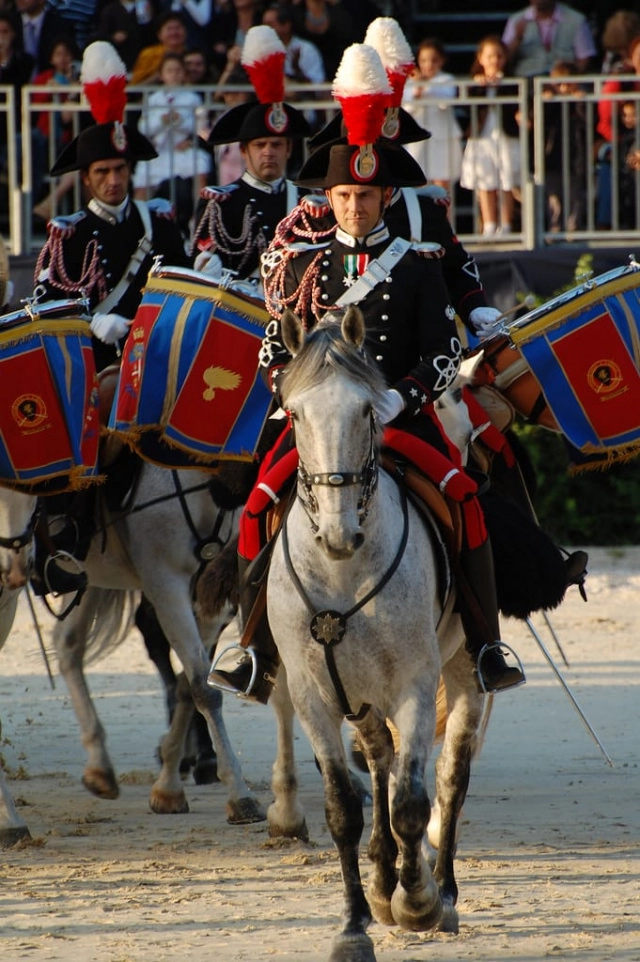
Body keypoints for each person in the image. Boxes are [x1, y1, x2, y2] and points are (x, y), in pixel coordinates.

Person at [208, 42, 527, 703]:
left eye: (366, 195)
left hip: (399, 419)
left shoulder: (414, 264)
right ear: (332, 196)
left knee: (466, 500)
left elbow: (442, 350)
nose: (354, 206)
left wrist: (399, 397)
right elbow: (274, 347)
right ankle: (248, 647)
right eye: (344, 195)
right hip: (322, 425)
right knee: (258, 503)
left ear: (385, 195)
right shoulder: (303, 263)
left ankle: (486, 641)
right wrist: (293, 398)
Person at [32, 40, 191, 595]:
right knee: (91, 410)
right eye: (103, 171)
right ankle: (68, 535)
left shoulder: (161, 222)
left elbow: (184, 289)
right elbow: (45, 309)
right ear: (87, 174)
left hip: (159, 357)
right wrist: (92, 324)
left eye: (120, 169)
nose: (114, 181)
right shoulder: (68, 232)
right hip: (95, 362)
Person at [191, 24, 310, 284]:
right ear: (243, 150)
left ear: (289, 149)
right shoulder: (221, 204)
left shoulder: (306, 203)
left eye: (276, 145)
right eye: (260, 145)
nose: (269, 152)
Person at [133, 52, 211, 235]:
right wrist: (162, 121)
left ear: (183, 74)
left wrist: (185, 129)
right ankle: (140, 225)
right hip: (160, 151)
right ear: (161, 75)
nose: (174, 75)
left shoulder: (192, 98)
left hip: (183, 151)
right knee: (142, 175)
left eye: (178, 70)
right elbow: (143, 127)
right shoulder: (153, 99)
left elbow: (201, 125)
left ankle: (198, 220)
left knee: (201, 165)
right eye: (169, 71)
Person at [459, 35, 521, 237]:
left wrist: (500, 84)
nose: (495, 60)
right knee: (486, 182)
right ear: (481, 58)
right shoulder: (474, 84)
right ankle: (489, 225)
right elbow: (468, 109)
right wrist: (482, 87)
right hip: (482, 137)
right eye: (490, 56)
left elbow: (516, 105)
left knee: (506, 182)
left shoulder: (513, 82)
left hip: (505, 136)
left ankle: (506, 225)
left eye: (499, 56)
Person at [404, 37, 463, 194]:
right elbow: (407, 106)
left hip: (442, 138)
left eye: (433, 60)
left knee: (442, 184)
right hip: (418, 139)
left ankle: (444, 218)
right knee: (419, 182)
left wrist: (425, 87)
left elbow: (446, 100)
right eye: (424, 60)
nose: (428, 65)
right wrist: (418, 89)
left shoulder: (447, 79)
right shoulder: (410, 83)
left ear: (441, 61)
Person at [31, 36, 80, 222]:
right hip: (42, 135)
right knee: (26, 141)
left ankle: (49, 203)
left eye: (67, 54)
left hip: (64, 141)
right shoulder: (44, 78)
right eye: (58, 54)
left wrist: (70, 89)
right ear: (51, 58)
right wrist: (54, 88)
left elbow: (68, 118)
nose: (63, 58)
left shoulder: (78, 82)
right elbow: (35, 102)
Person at [541, 60, 587, 233]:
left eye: (569, 83)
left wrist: (580, 102)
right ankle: (555, 227)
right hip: (552, 156)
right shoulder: (549, 101)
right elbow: (543, 123)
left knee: (575, 194)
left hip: (575, 156)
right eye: (559, 84)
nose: (564, 88)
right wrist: (548, 102)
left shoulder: (580, 101)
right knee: (554, 196)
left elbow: (587, 123)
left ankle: (573, 227)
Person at [502, 1, 596, 79]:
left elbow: (584, 59)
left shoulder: (576, 20)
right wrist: (517, 39)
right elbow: (503, 60)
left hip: (564, 85)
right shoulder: (516, 20)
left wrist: (570, 79)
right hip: (526, 84)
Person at [94, 0, 156, 72]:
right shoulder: (110, 10)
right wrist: (113, 38)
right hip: (118, 61)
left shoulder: (143, 7)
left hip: (142, 62)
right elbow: (101, 37)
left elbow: (151, 35)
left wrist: (149, 19)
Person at [130, 10, 188, 85]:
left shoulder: (192, 55)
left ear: (186, 32)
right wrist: (161, 74)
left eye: (178, 28)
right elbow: (135, 87)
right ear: (159, 35)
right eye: (169, 29)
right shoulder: (149, 55)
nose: (174, 33)